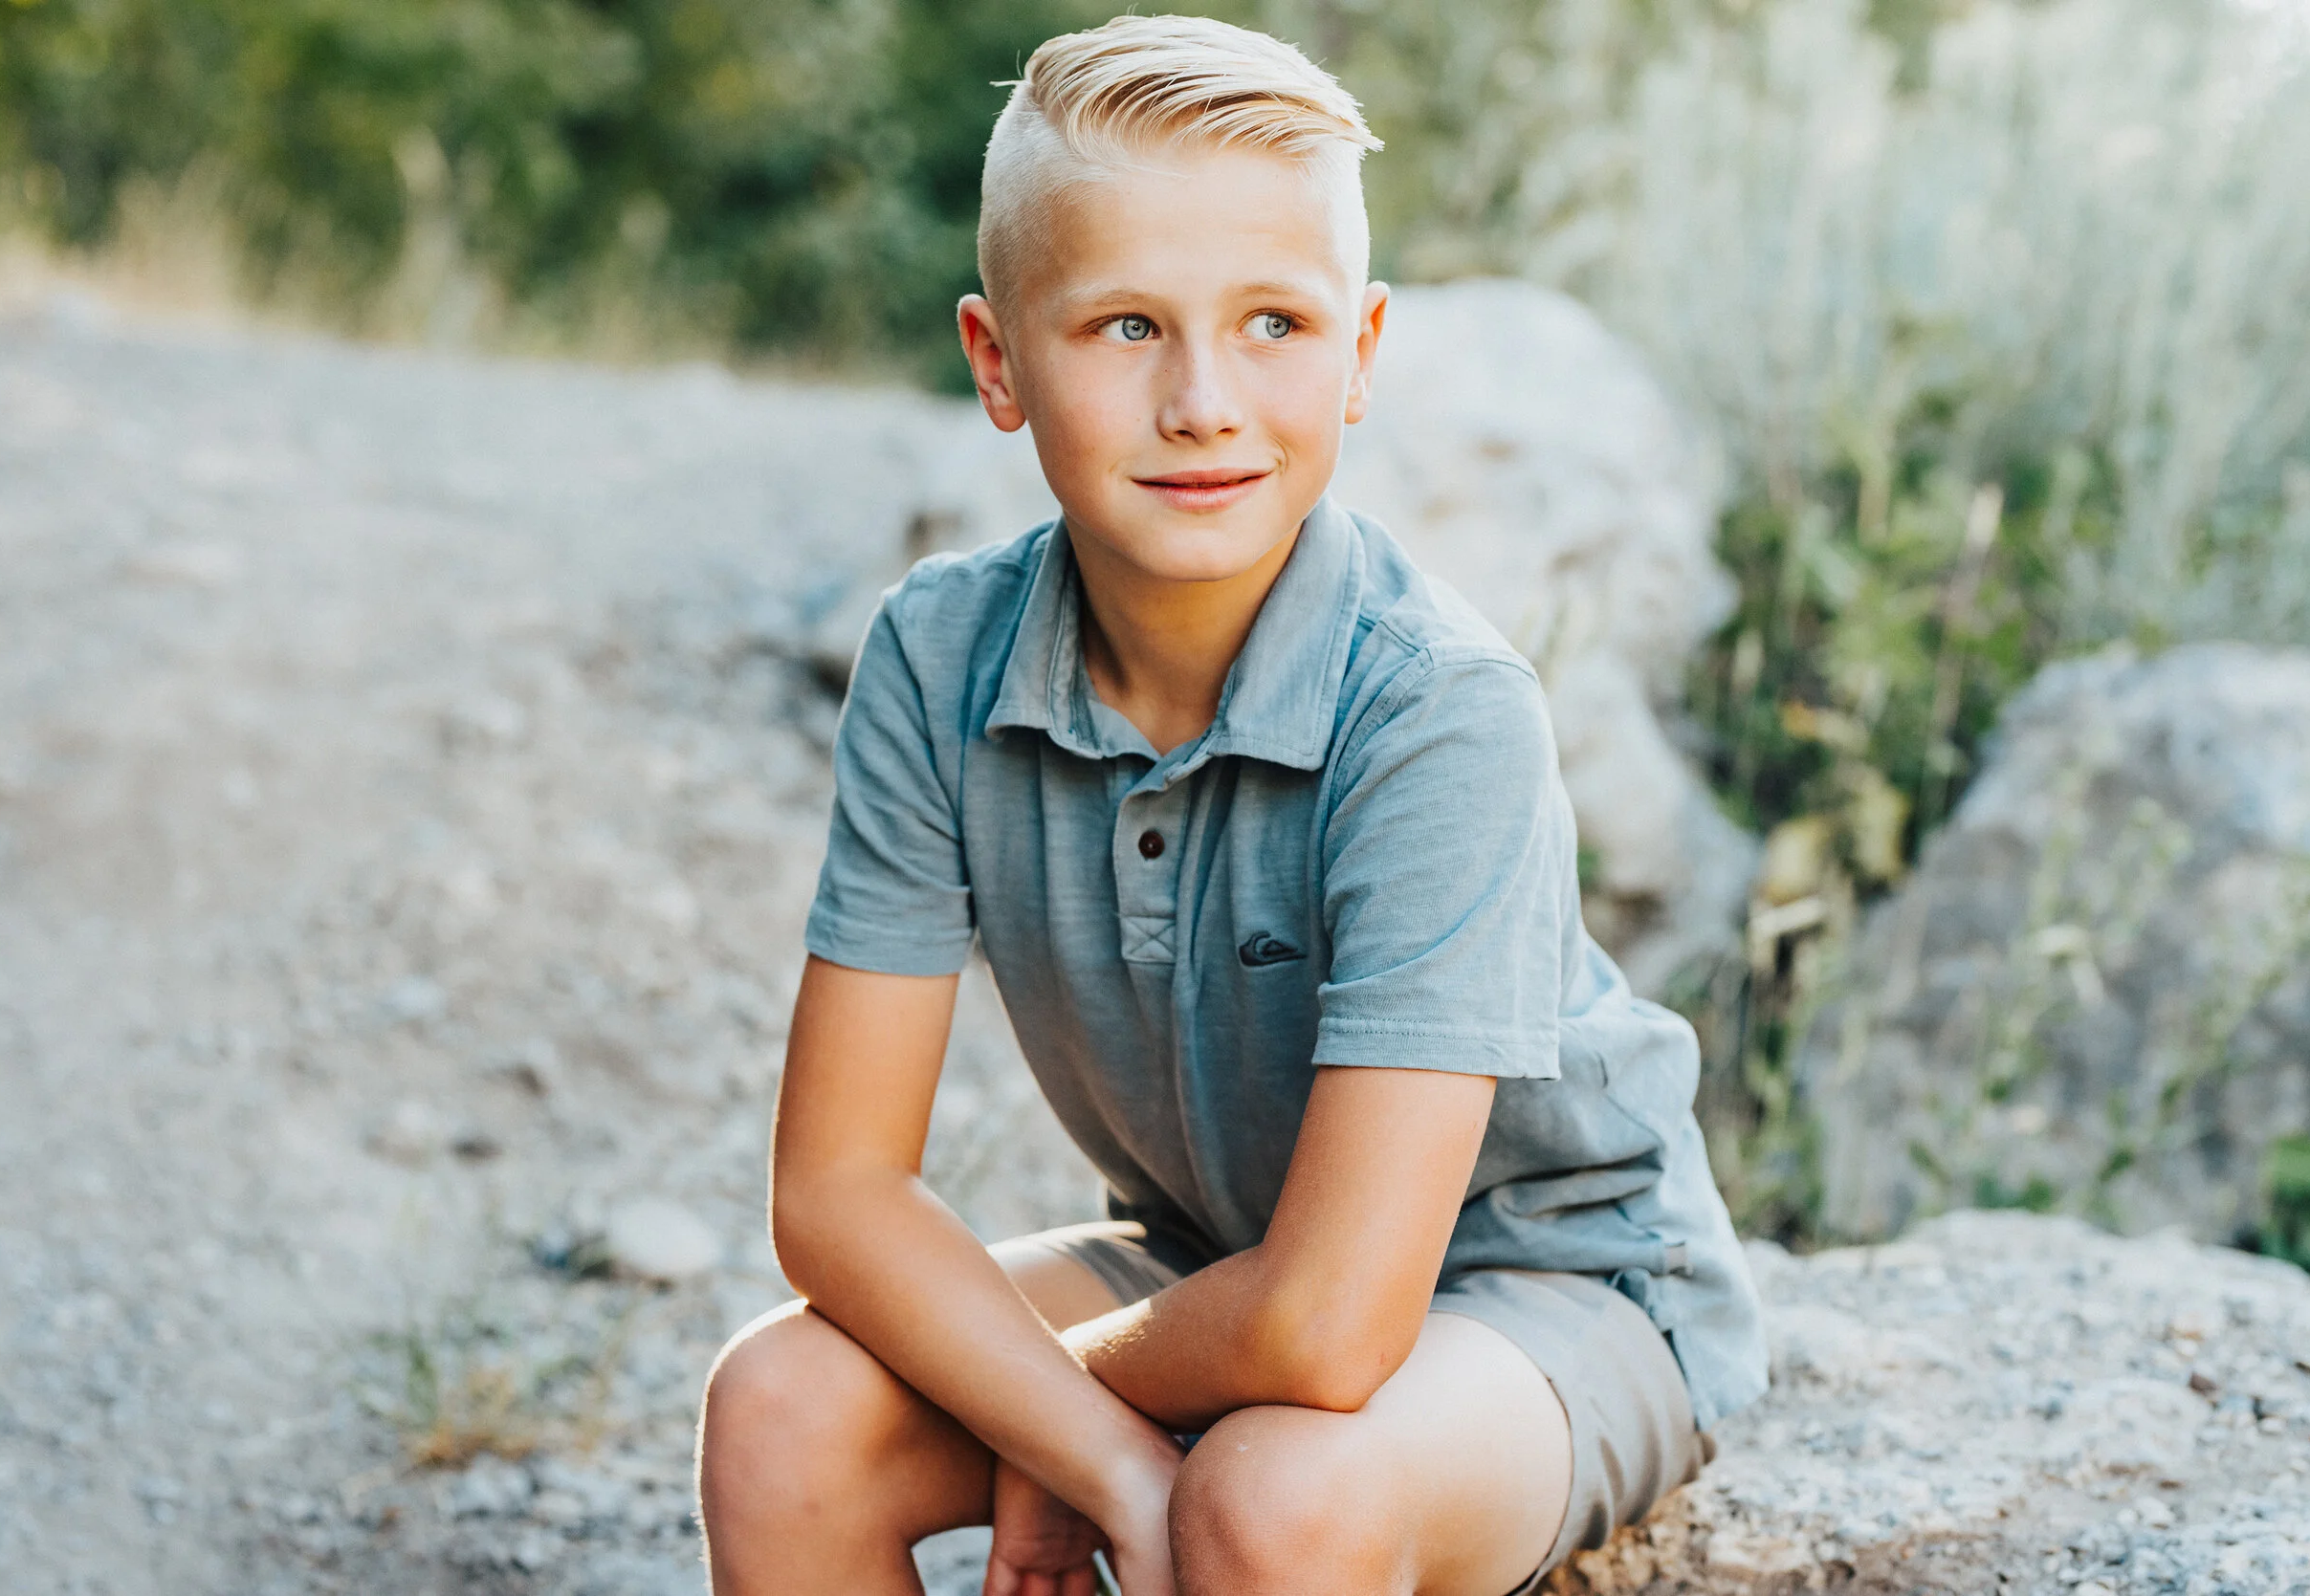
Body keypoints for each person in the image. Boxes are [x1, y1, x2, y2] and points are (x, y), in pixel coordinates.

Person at [695, 14, 1767, 1595]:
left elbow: (1333, 1332)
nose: (1202, 399)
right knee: (781, 1410)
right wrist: (1095, 1452)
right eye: (1125, 327)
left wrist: (1054, 1414)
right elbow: (840, 1193)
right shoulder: (938, 652)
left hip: (1549, 1293)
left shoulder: (1437, 709)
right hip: (1216, 1255)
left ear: (1362, 357)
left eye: (1275, 322)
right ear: (998, 362)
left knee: (1272, 1499)